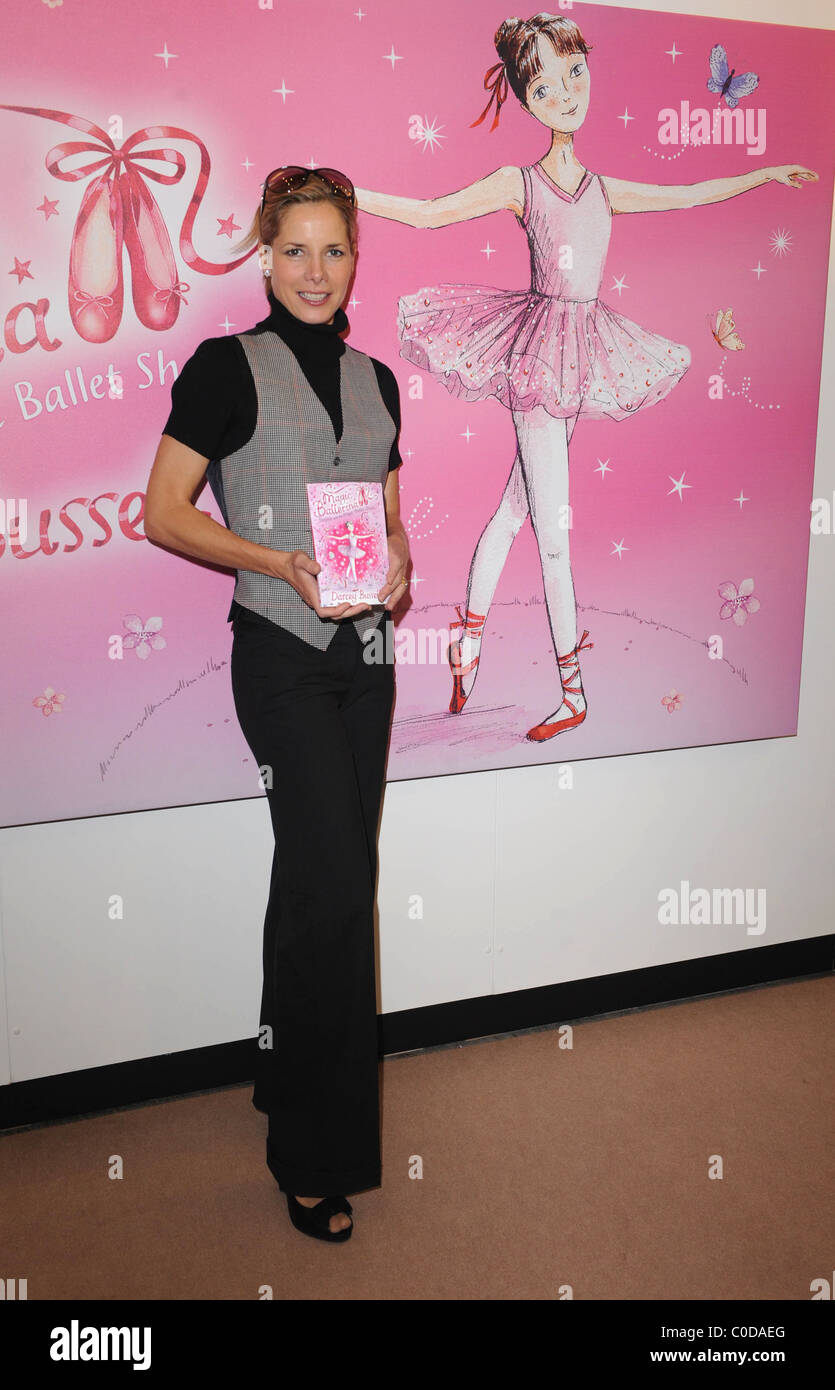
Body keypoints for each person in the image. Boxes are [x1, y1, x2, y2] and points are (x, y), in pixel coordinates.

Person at [355, 12, 816, 740]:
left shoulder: (603, 188)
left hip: (579, 351)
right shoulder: (519, 182)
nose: (566, 91)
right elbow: (426, 213)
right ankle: (573, 690)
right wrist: (341, 190)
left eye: (575, 72)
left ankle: (465, 643)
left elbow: (690, 192)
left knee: (514, 511)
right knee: (553, 531)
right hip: (538, 351)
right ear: (524, 95)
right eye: (544, 81)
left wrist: (763, 170)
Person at [145, 166, 410, 1243]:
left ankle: (275, 1068)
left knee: (321, 884)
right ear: (263, 257)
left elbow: (395, 523)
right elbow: (161, 513)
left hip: (369, 659)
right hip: (281, 657)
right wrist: (274, 561)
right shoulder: (224, 369)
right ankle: (313, 1151)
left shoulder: (381, 379)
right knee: (340, 899)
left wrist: (395, 565)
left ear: (355, 258)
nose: (314, 270)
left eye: (334, 250)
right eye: (294, 250)